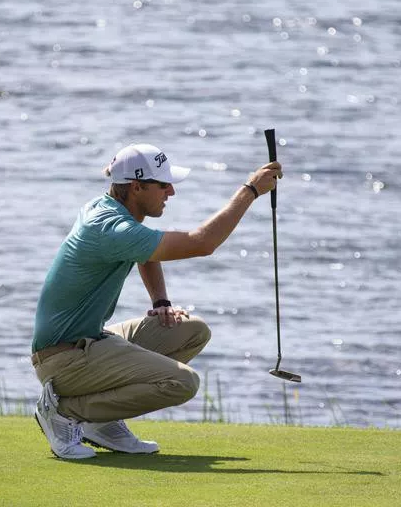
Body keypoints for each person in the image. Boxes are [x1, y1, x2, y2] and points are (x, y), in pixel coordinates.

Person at [32, 142, 282, 459]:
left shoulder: (110, 209)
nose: (171, 192)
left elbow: (143, 248)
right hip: (63, 359)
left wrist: (160, 300)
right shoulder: (111, 228)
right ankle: (65, 412)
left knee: (193, 330)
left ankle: (102, 421)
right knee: (183, 382)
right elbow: (203, 243)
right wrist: (251, 190)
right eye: (163, 184)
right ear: (136, 187)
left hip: (88, 341)